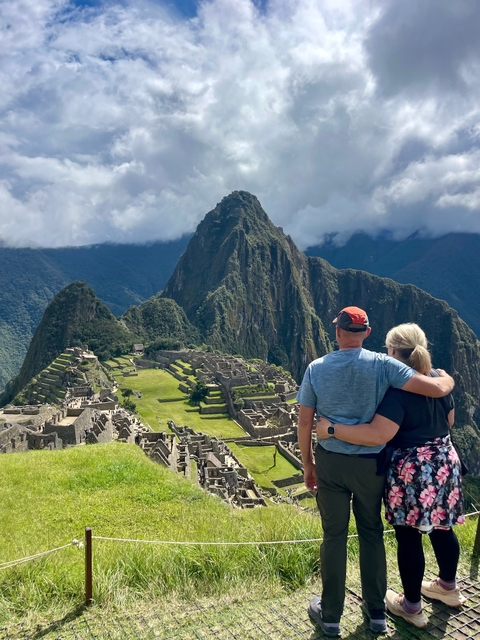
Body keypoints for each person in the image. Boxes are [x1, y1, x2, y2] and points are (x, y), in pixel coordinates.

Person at [297, 307, 455, 637]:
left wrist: (308, 465)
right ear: (367, 333)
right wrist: (447, 378)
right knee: (371, 533)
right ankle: (377, 613)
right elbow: (435, 389)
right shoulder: (384, 365)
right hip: (371, 465)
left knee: (334, 536)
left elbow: (305, 421)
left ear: (337, 332)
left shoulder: (316, 368)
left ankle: (330, 616)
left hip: (331, 462)